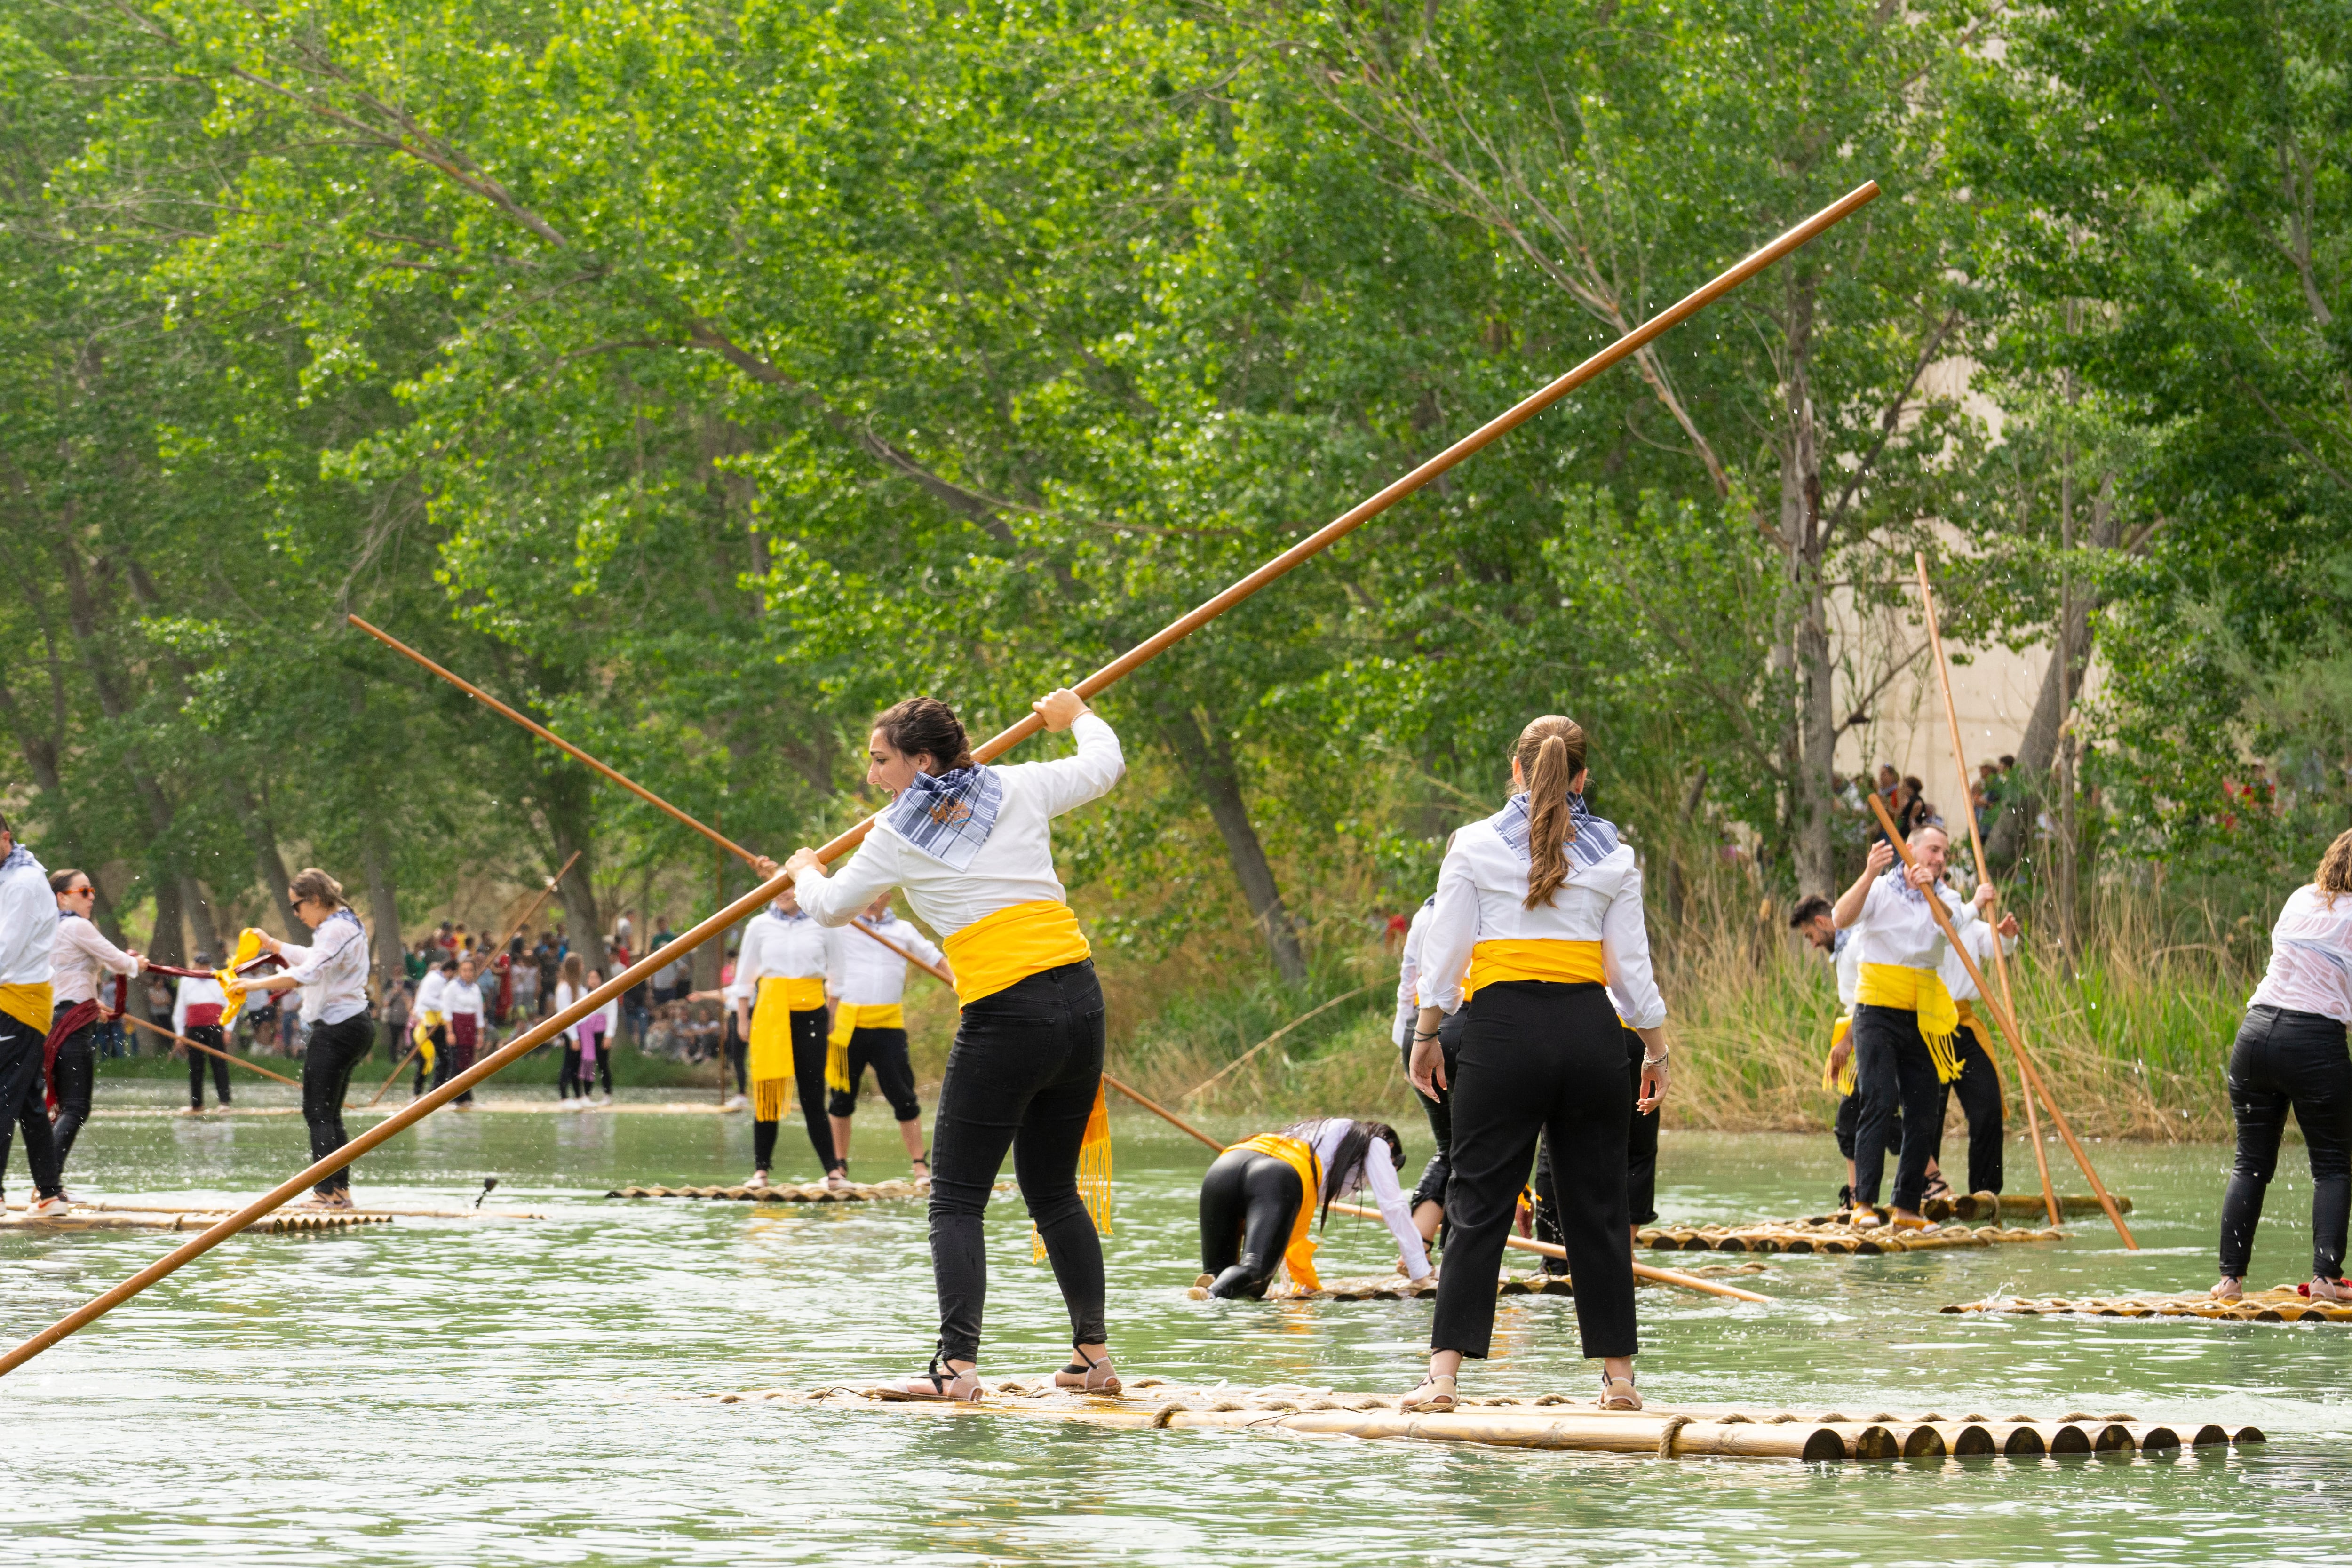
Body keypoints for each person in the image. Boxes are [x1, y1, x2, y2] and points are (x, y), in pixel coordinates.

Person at [782, 688, 1124, 1402]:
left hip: (1008, 1013)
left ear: (922, 760)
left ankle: (956, 1369)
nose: (874, 776)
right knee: (1053, 1188)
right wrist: (1078, 714)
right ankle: (1093, 1359)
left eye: (881, 761)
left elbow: (831, 908)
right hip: (1080, 1001)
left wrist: (803, 869)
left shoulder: (897, 831)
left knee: (955, 1199)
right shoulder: (1018, 782)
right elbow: (1104, 764)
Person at [1405, 715, 1667, 1414]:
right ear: (1583, 778)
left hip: (1501, 1033)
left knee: (1478, 1202)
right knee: (1598, 1209)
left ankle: (1444, 1378)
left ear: (1516, 771)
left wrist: (1427, 1033)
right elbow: (1632, 975)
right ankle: (1618, 1381)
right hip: (1590, 1033)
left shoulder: (1473, 844)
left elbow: (1446, 956)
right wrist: (1658, 1050)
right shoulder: (1616, 855)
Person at [1832, 823, 1995, 1231]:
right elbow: (1840, 917)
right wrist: (1869, 873)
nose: (1940, 859)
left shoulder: (1947, 898)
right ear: (1911, 849)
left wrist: (1931, 893)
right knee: (1880, 1098)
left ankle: (1907, 1208)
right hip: (1876, 1010)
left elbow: (1952, 929)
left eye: (1945, 854)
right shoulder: (1881, 889)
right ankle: (1864, 1203)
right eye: (1934, 850)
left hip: (1921, 1012)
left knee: (1924, 1109)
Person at [2214, 828, 2352, 1303]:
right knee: (2332, 1166)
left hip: (2253, 1037)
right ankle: (2324, 1280)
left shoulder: (2299, 897)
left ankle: (2228, 1280)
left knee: (2250, 1164)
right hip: (2312, 1042)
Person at [238, 869, 376, 1209]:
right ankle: (340, 1192)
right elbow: (311, 959)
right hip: (352, 1025)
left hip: (337, 1028)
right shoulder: (344, 923)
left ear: (315, 899)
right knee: (330, 1113)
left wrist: (252, 985)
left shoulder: (335, 928)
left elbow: (307, 974)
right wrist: (272, 945)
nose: (297, 914)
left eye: (297, 906)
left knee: (317, 1112)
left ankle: (324, 1192)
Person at [1199, 1117, 1430, 1297]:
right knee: (1254, 1273)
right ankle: (1210, 1296)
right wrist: (1421, 1274)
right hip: (1277, 1176)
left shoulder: (1316, 1134)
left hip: (1226, 1165)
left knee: (1222, 1275)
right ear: (1390, 1147)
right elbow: (1394, 1206)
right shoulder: (1376, 1143)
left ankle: (1206, 1290)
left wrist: (1309, 1286)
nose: (1358, 1189)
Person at [827, 894, 946, 1188]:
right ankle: (838, 1165)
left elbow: (936, 959)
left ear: (887, 896)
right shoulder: (842, 925)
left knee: (904, 1095)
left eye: (877, 893)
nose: (871, 900)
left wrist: (960, 985)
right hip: (847, 1024)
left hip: (888, 1025)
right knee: (842, 1097)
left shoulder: (902, 931)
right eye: (864, 893)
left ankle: (920, 1166)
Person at [731, 885, 842, 1185]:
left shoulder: (823, 923)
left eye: (790, 887)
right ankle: (761, 1171)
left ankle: (833, 1171)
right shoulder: (759, 926)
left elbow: (838, 974)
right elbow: (744, 979)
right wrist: (743, 1018)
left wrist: (832, 1013)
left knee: (813, 1092)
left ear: (802, 890)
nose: (783, 893)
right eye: (778, 887)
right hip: (770, 1012)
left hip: (812, 1010)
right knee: (768, 1090)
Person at [42, 868, 144, 1176]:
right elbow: (118, 961)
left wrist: (91, 1002)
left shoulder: (46, 930)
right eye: (83, 892)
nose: (90, 898)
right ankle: (48, 1184)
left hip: (54, 1019)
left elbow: (61, 977)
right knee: (76, 1108)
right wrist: (136, 963)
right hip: (70, 1026)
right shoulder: (76, 926)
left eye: (92, 892)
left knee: (65, 1107)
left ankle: (45, 1184)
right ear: (62, 897)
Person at [0, 816, 68, 1217]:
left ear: (6, 837)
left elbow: (6, 951)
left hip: (16, 1001)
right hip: (17, 999)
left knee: (3, 1095)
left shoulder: (23, 884)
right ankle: (50, 1193)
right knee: (26, 1099)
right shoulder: (12, 876)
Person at [1934, 899, 2020, 1201]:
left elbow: (1998, 948)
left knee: (1988, 1109)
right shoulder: (1919, 908)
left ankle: (1985, 1195)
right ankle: (1925, 1190)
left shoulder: (1962, 911)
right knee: (1928, 1115)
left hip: (1965, 1024)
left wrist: (2006, 936)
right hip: (1929, 1026)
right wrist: (1975, 904)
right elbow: (1942, 929)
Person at [174, 949, 233, 1112]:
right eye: (200, 965)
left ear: (210, 966)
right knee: (196, 1065)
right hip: (195, 1027)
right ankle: (197, 1104)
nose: (203, 968)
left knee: (219, 1063)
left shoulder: (221, 979)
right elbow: (180, 1008)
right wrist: (180, 1034)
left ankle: (224, 1102)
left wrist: (228, 1029)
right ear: (195, 965)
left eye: (206, 965)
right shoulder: (187, 980)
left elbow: (231, 1004)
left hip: (215, 1026)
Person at [440, 955, 485, 1108]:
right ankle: (453, 1097)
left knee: (468, 1062)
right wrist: (450, 1032)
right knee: (456, 1062)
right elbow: (447, 1012)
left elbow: (479, 1013)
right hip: (457, 1025)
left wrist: (480, 1034)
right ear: (460, 971)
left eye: (470, 971)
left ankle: (466, 1097)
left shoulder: (475, 989)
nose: (467, 973)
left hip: (470, 1026)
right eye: (464, 970)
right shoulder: (452, 988)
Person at [554, 952, 594, 1106]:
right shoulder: (564, 989)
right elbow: (565, 1016)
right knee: (569, 1063)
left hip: (582, 1029)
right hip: (572, 1031)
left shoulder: (577, 987)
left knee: (578, 1063)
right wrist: (574, 1037)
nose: (583, 967)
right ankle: (564, 1097)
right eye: (581, 965)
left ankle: (579, 1096)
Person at [412, 956, 453, 1098]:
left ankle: (424, 1091)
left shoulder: (431, 980)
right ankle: (433, 1092)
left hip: (432, 1023)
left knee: (437, 1058)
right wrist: (446, 1006)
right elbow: (425, 1001)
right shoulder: (436, 980)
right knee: (442, 1058)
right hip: (429, 1024)